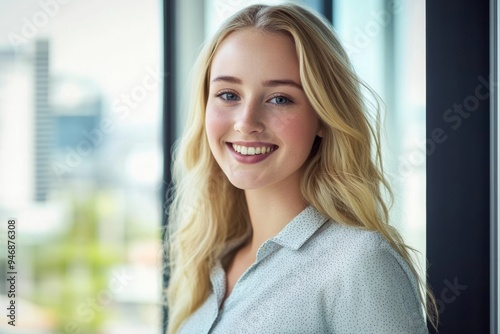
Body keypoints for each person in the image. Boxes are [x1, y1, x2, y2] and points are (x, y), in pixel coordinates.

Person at [166, 3, 437, 333]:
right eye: (228, 94)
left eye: (279, 98)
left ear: (323, 117)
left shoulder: (360, 263)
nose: (246, 122)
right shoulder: (209, 259)